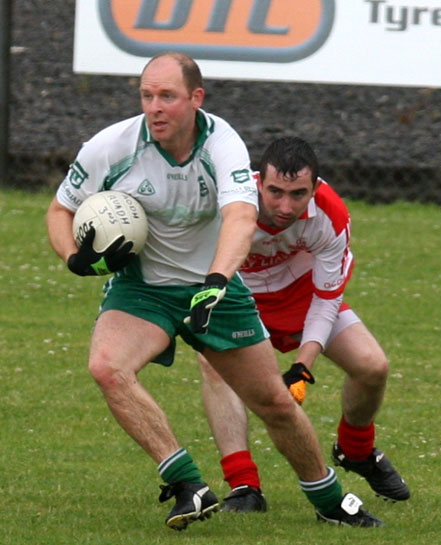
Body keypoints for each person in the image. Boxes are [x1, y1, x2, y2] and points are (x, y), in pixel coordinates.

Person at [46, 52, 383, 531]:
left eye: (167, 96)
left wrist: (217, 282)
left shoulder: (221, 143)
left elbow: (241, 218)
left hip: (214, 289)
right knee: (107, 366)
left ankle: (330, 500)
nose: (155, 107)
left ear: (195, 98)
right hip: (144, 290)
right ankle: (188, 484)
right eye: (147, 95)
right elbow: (60, 210)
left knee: (274, 404)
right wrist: (74, 258)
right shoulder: (112, 145)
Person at [198, 135, 410, 514]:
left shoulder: (331, 214)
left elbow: (327, 299)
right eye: (275, 191)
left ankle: (356, 452)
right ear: (258, 181)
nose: (284, 206)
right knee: (214, 367)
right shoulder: (227, 200)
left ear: (315, 188)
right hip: (239, 296)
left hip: (301, 296)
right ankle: (244, 486)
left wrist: (302, 367)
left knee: (372, 366)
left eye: (298, 194)